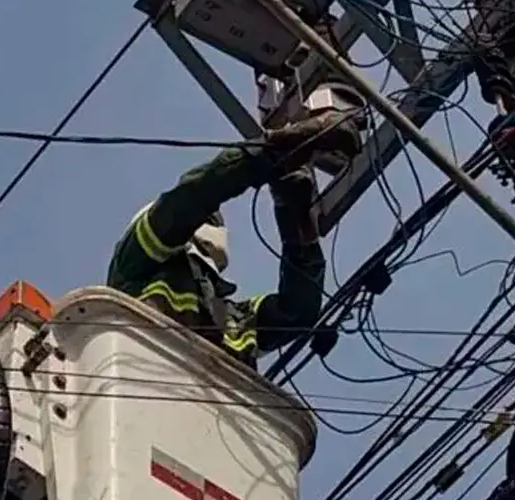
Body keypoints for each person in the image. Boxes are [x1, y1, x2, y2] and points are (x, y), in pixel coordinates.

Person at [106, 112, 358, 370]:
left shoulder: (234, 320)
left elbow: (298, 311)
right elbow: (192, 198)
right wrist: (272, 153)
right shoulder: (133, 267)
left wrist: (295, 218)